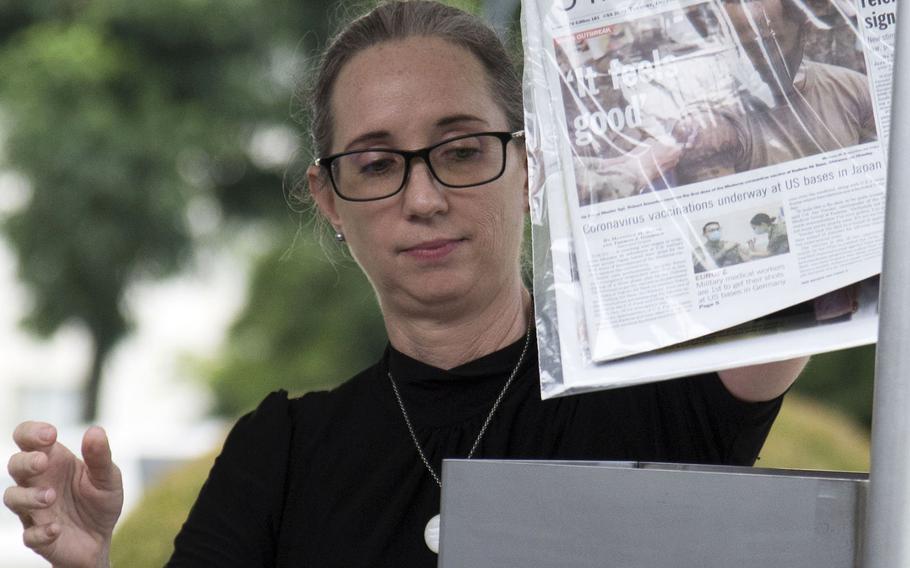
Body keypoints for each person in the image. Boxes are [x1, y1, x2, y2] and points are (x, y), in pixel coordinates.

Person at [4, 2, 809, 566]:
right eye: (377, 164)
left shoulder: (666, 382)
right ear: (329, 203)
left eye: (461, 150)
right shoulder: (279, 455)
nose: (423, 198)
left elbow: (812, 240)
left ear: (530, 166)